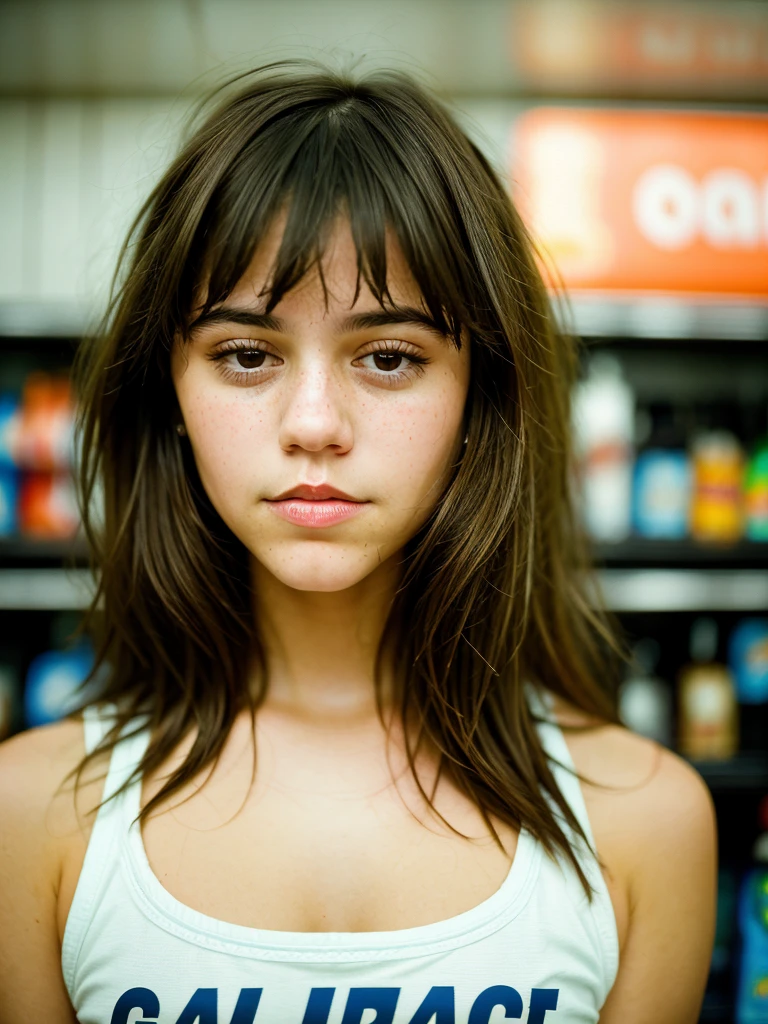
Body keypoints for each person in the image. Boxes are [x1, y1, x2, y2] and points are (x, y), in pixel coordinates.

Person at [0, 62, 716, 1024]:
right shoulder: (29, 817)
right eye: (246, 355)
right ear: (167, 396)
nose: (313, 423)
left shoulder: (646, 822)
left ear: (479, 399)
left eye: (389, 357)